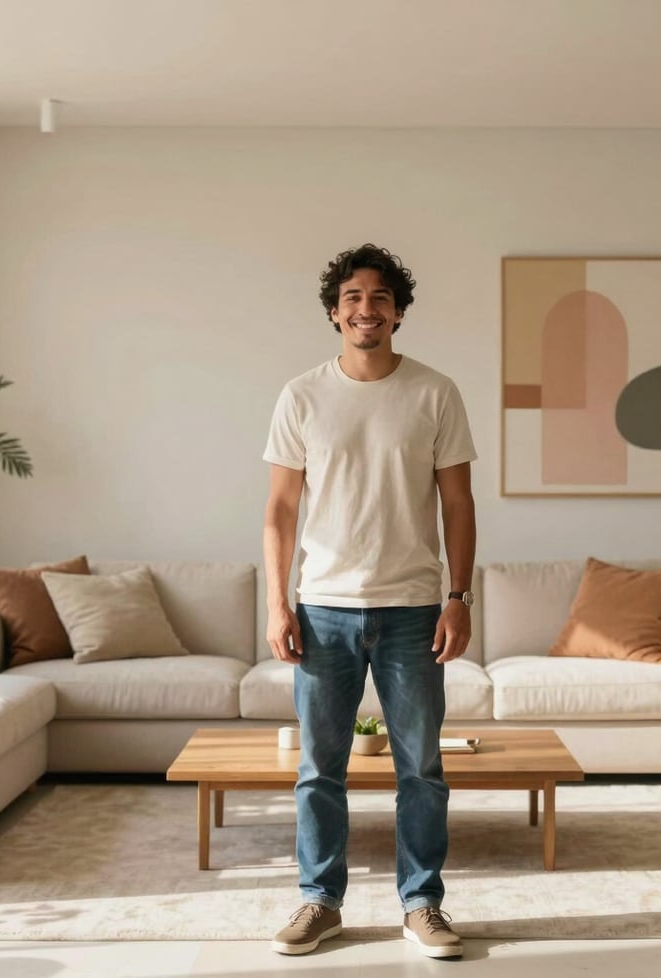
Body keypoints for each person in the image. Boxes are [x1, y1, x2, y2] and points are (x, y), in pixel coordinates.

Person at [262, 243, 477, 959]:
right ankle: (320, 902)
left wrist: (458, 596)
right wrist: (277, 604)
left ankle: (423, 905)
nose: (366, 308)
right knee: (319, 768)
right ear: (335, 311)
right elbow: (279, 514)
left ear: (399, 312)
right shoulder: (301, 396)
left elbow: (458, 504)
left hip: (415, 609)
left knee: (422, 767)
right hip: (322, 606)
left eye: (380, 297)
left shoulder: (435, 392)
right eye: (353, 296)